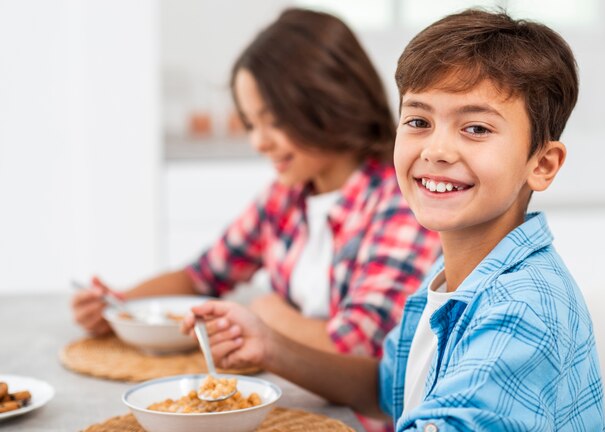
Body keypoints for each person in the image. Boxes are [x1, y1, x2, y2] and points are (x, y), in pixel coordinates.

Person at [182, 9, 605, 431]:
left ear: (543, 164)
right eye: (419, 121)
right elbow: (386, 388)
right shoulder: (447, 278)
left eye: (476, 128)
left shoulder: (521, 309)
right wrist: (270, 347)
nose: (437, 150)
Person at [72, 6, 438, 421]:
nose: (259, 142)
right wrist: (119, 308)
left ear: (331, 100)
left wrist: (268, 315)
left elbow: (354, 351)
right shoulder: (286, 197)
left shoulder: (398, 203)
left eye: (273, 120)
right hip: (296, 401)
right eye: (250, 123)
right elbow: (201, 276)